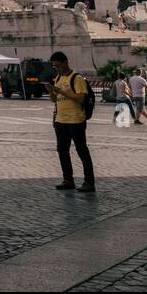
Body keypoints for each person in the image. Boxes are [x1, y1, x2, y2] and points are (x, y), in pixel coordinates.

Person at [47, 51, 95, 193]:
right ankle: (68, 180)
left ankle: (89, 182)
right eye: (54, 66)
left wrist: (60, 91)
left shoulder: (77, 78)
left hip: (76, 120)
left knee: (82, 151)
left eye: (58, 65)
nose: (56, 68)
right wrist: (51, 91)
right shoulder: (58, 78)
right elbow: (54, 100)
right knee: (62, 151)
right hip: (61, 120)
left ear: (65, 62)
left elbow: (80, 98)